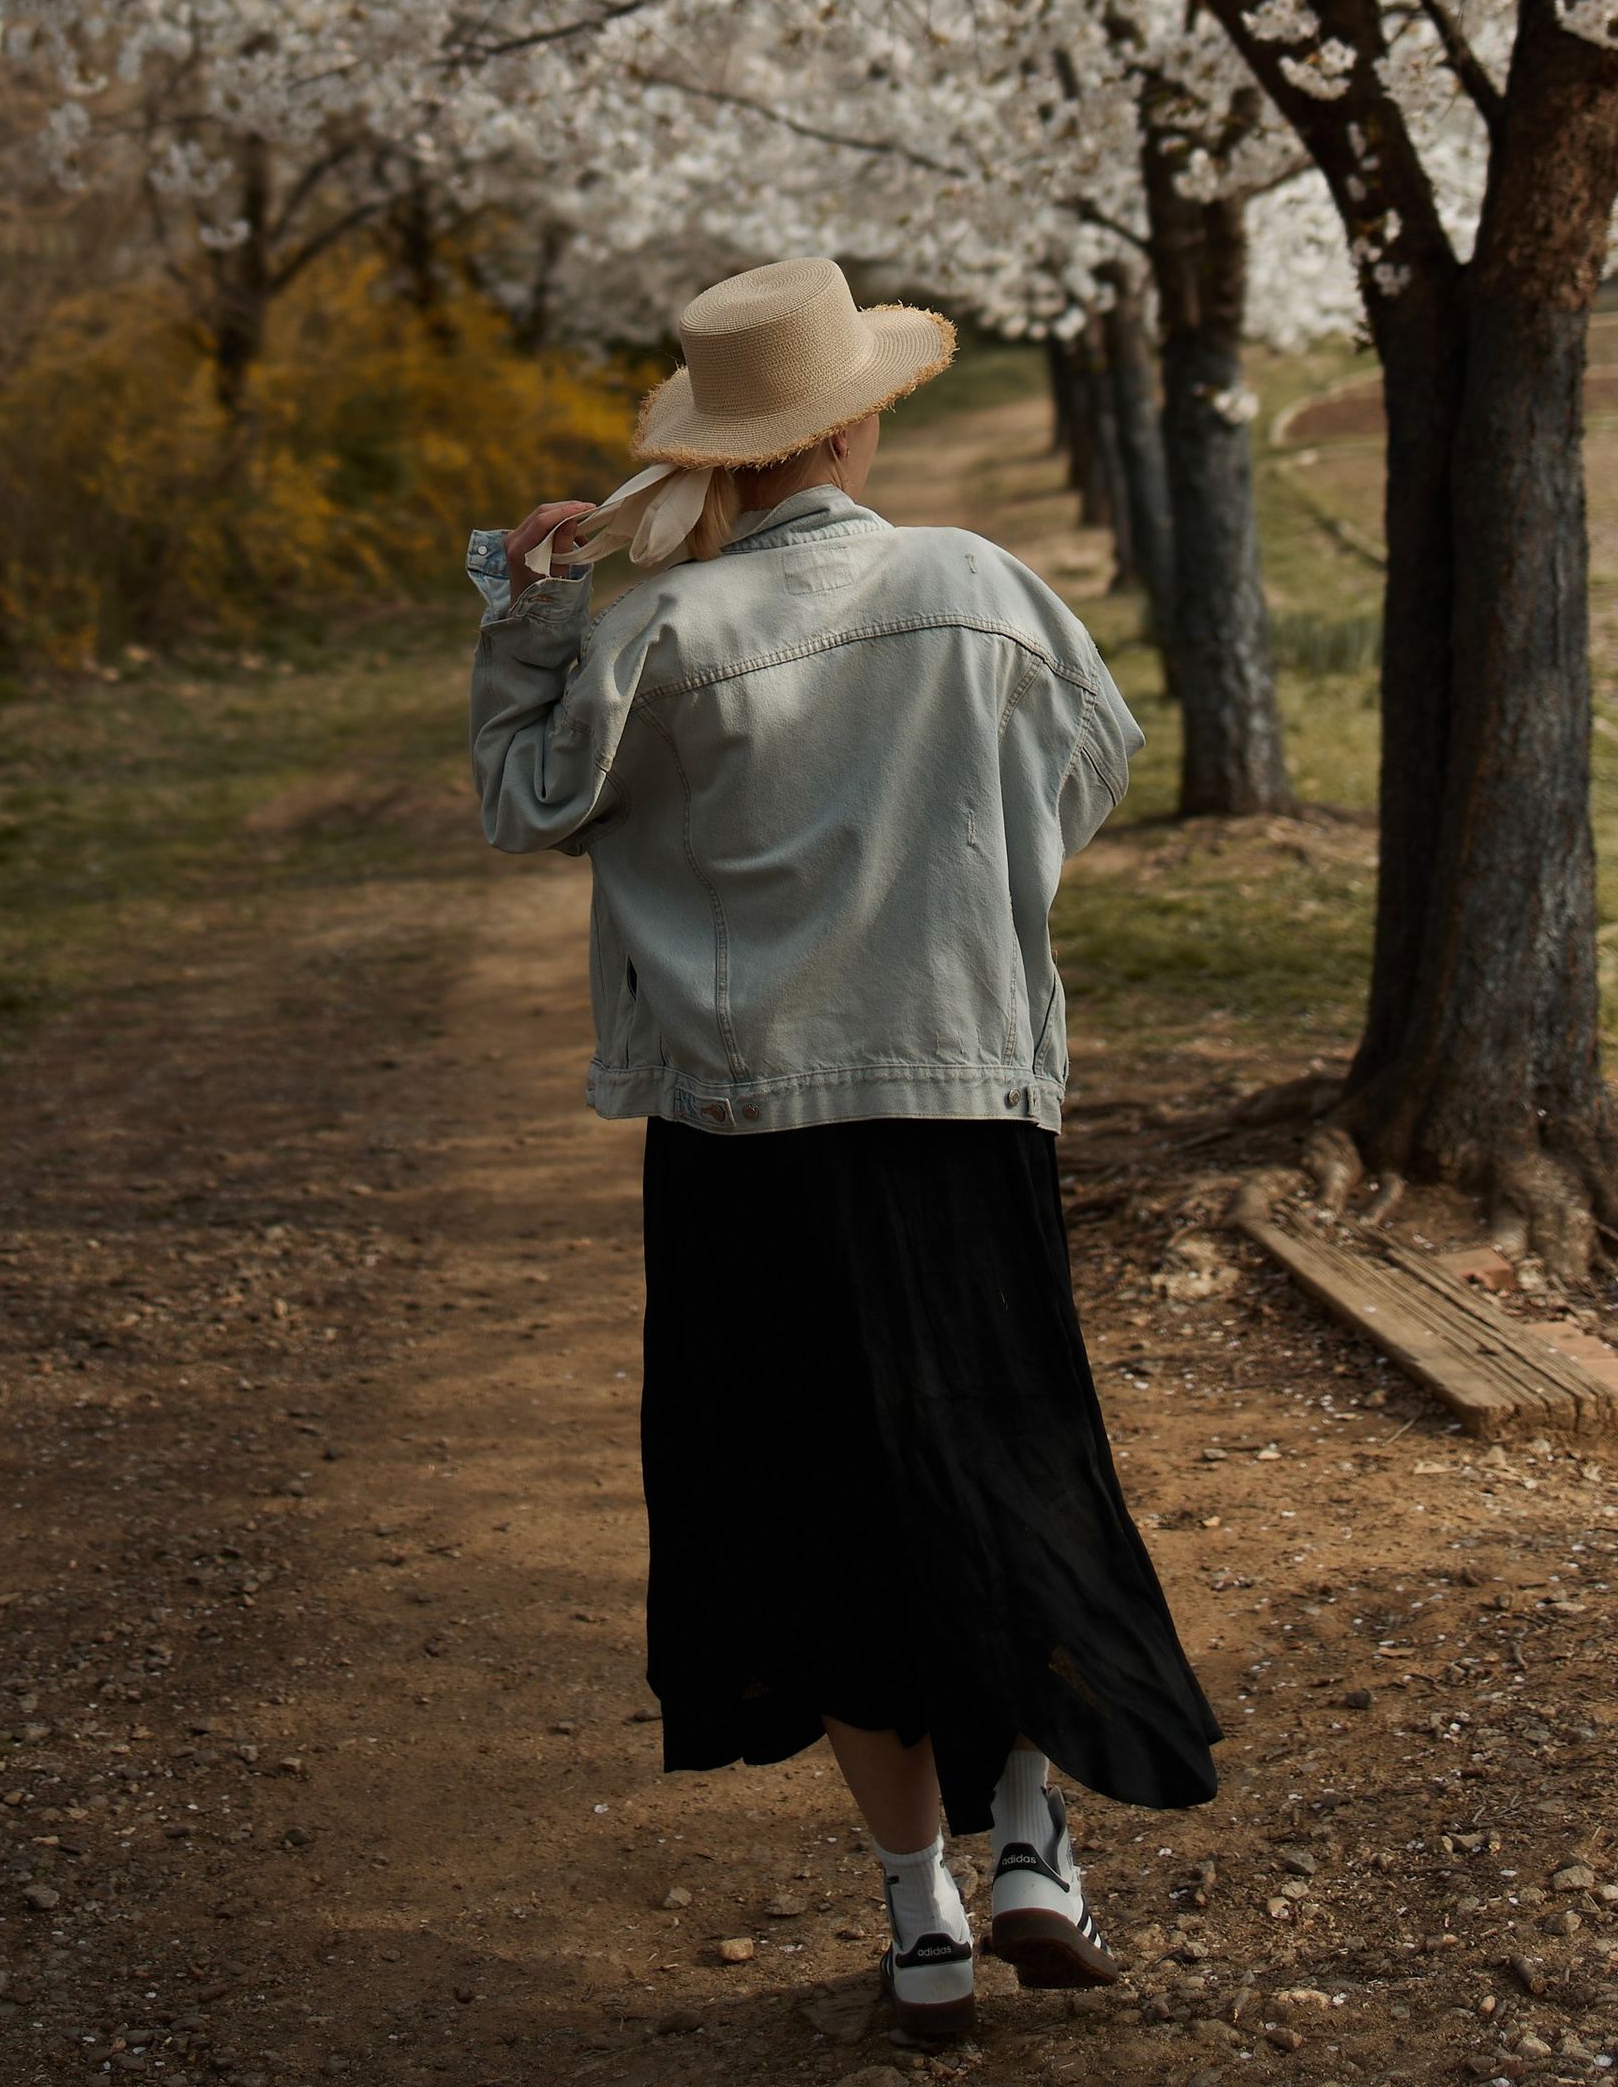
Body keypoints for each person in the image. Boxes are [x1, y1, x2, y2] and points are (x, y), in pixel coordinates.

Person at [466, 256, 1218, 2051]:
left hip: (743, 1134)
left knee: (807, 1496)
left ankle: (923, 1921)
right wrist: (959, 888)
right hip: (959, 1110)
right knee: (1000, 1460)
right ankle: (1031, 1838)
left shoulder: (659, 632)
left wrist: (529, 604)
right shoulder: (981, 589)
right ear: (861, 418)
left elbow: (525, 801)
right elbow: (1086, 770)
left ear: (719, 452)